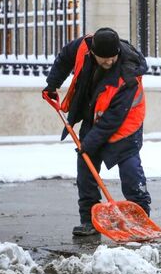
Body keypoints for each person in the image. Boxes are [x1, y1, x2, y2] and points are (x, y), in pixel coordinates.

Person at [42, 27, 151, 236]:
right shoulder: (83, 47)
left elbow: (112, 119)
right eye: (104, 59)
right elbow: (65, 57)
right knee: (85, 168)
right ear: (93, 52)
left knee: (130, 170)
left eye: (113, 57)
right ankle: (89, 220)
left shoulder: (129, 74)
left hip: (126, 124)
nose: (110, 62)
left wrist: (88, 144)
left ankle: (141, 218)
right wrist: (52, 84)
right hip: (94, 114)